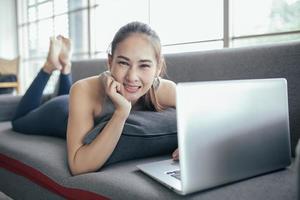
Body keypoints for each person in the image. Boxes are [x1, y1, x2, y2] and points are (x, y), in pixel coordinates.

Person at [12, 22, 179, 175]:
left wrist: (188, 146)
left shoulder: (166, 90)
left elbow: (201, 120)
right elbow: (78, 166)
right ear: (110, 61)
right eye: (123, 63)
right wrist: (121, 112)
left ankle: (65, 66)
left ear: (158, 67)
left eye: (144, 65)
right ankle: (49, 66)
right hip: (59, 112)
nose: (132, 77)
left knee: (65, 95)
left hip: (74, 104)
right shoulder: (83, 89)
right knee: (19, 121)